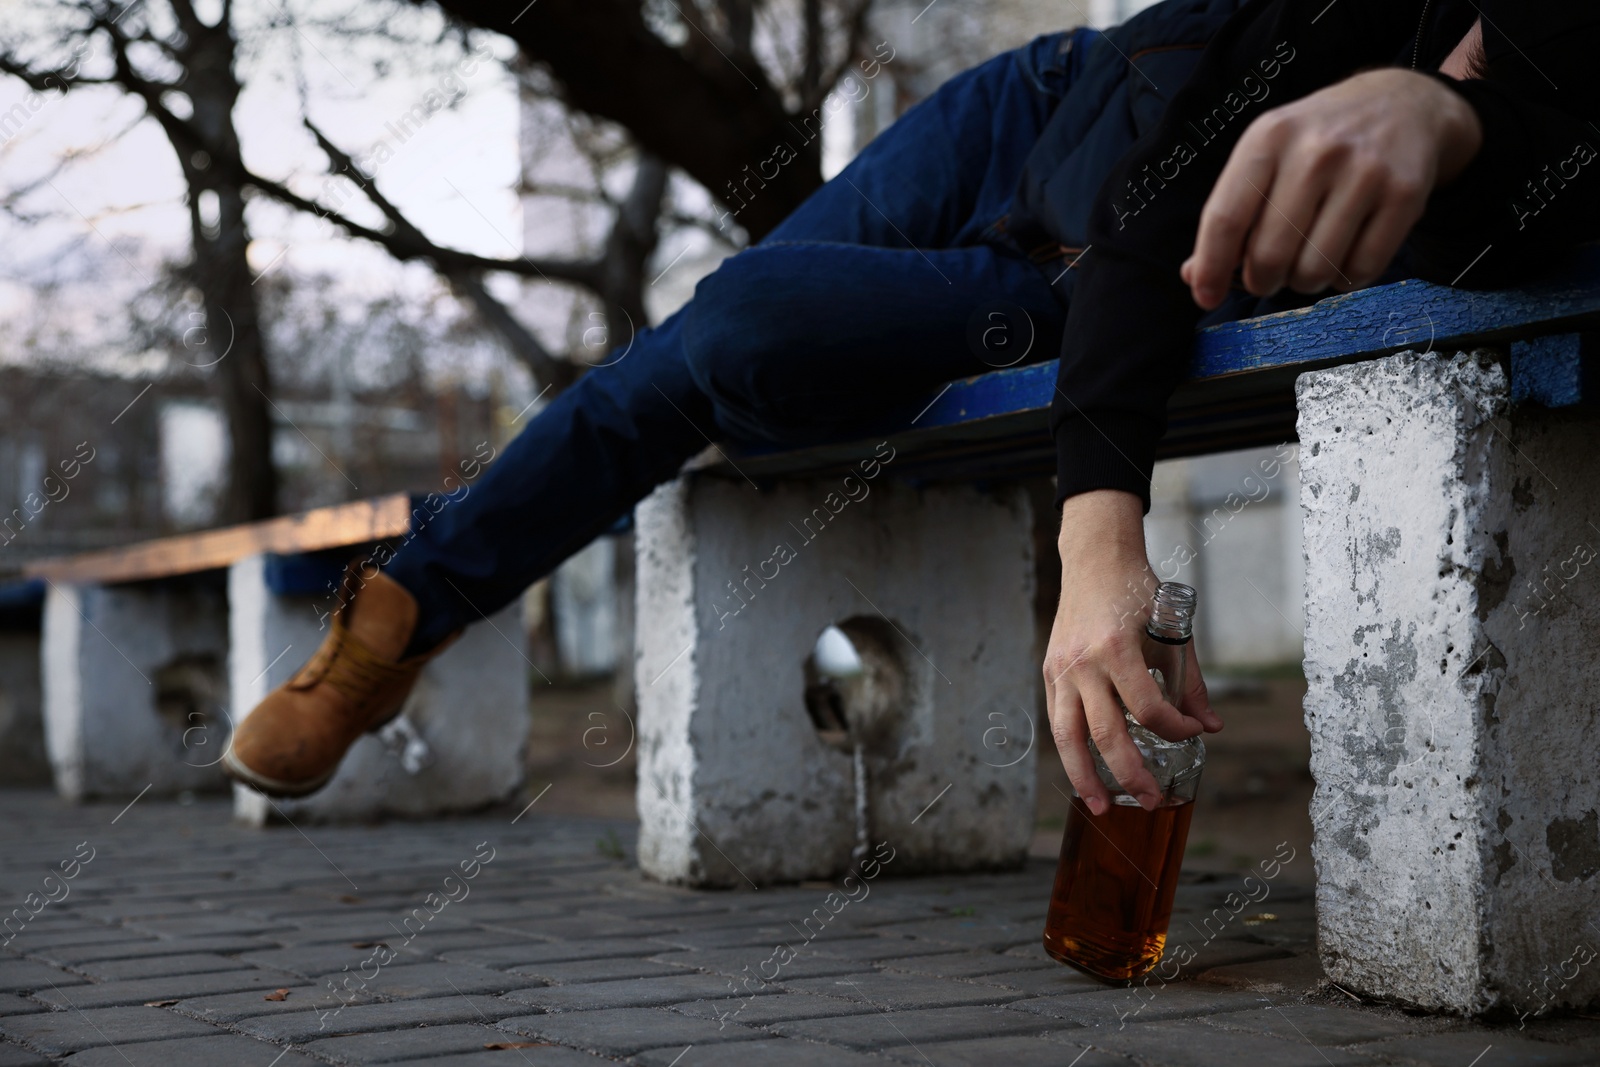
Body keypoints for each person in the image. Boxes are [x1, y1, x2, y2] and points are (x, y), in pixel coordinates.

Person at [223, 0, 1600, 804]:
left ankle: (412, 604)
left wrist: (1100, 543)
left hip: (1102, 278)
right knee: (700, 338)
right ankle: (404, 610)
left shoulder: (1544, 134)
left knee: (737, 327)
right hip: (1035, 104)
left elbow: (1183, 235)